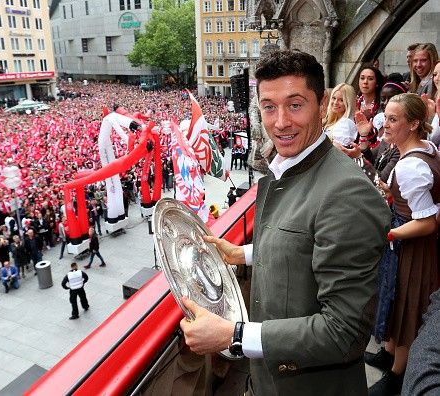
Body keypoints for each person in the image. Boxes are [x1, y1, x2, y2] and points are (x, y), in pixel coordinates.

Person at [179, 50, 390, 396]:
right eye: (268, 107)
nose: (280, 122)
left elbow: (344, 334)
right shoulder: (290, 167)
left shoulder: (348, 194)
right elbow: (304, 239)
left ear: (322, 104)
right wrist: (244, 253)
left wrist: (234, 335)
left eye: (295, 105)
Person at [367, 93, 440, 395]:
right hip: (417, 243)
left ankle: (397, 376)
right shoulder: (427, 148)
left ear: (413, 124)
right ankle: (389, 355)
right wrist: (393, 193)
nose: (385, 124)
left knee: (408, 305)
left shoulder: (411, 166)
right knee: (399, 301)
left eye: (393, 119)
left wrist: (390, 234)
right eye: (386, 116)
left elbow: (426, 221)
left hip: (414, 247)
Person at [323, 83, 358, 148]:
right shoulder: (332, 121)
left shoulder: (346, 123)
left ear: (348, 102)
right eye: (334, 98)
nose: (335, 103)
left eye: (341, 100)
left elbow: (339, 150)